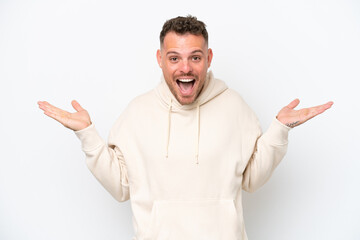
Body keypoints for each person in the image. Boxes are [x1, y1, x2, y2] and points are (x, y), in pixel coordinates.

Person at [38, 16, 333, 240]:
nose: (185, 68)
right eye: (174, 58)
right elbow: (120, 187)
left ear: (208, 58)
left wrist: (280, 129)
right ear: (160, 60)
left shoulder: (234, 107)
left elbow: (252, 179)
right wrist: (87, 134)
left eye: (195, 57)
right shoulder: (137, 113)